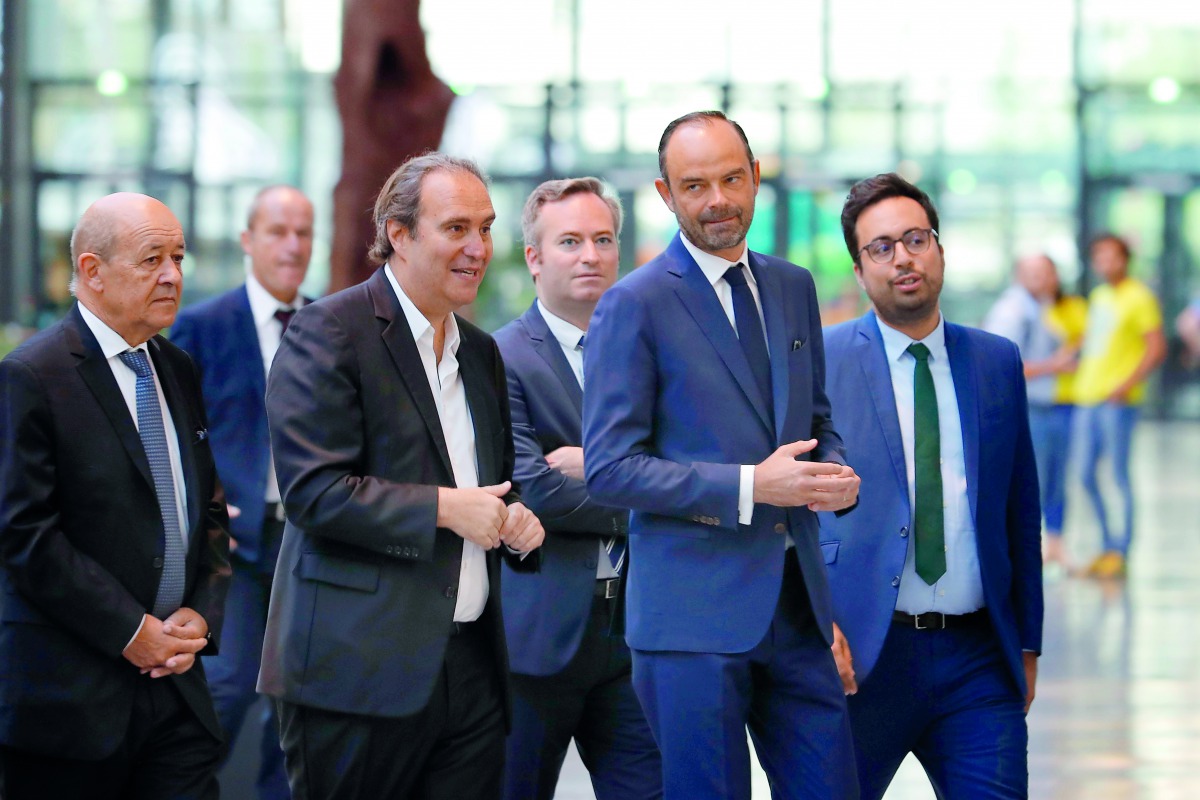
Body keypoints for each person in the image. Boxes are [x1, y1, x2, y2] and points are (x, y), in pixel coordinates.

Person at [582, 110, 861, 800]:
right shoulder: (633, 304)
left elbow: (815, 418)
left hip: (797, 607)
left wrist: (834, 472)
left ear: (756, 176)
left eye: (732, 179)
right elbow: (610, 468)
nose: (718, 200)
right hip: (689, 621)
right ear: (665, 193)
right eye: (695, 185)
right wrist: (750, 486)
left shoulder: (793, 286)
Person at [257, 153, 545, 799]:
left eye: (485, 228)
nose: (478, 248)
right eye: (456, 228)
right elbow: (313, 492)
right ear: (399, 233)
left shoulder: (482, 352)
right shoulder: (328, 330)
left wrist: (518, 519)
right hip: (356, 672)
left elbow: (494, 485)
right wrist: (445, 508)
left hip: (472, 669)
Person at [0, 193, 232, 798]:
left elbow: (206, 506)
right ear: (92, 271)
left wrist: (201, 613)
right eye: (152, 259)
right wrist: (131, 630)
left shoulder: (176, 366)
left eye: (179, 258)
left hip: (176, 688)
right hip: (71, 698)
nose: (172, 275)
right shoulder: (32, 375)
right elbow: (24, 535)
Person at [819, 173, 1043, 799]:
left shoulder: (996, 361)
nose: (903, 258)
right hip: (860, 657)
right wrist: (813, 627)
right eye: (881, 247)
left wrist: (1027, 644)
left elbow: (1020, 509)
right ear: (860, 270)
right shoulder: (821, 362)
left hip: (978, 660)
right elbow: (786, 516)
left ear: (939, 248)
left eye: (916, 239)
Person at [493, 177, 662, 800]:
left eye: (603, 239)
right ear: (534, 257)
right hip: (541, 633)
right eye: (570, 241)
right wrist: (653, 494)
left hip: (639, 630)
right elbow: (534, 489)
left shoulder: (653, 352)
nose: (590, 255)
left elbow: (693, 462)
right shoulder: (499, 357)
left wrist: (594, 466)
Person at [171, 184, 315, 799]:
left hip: (309, 540)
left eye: (303, 233)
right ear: (248, 241)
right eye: (278, 231)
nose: (292, 245)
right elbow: (170, 427)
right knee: (226, 691)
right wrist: (199, 502)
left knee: (299, 702)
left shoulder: (328, 324)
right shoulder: (201, 326)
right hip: (234, 543)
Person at [983, 254, 1087, 572]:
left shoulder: (1043, 308)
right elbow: (1002, 367)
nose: (1045, 279)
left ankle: (1054, 546)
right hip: (1030, 410)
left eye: (1048, 272)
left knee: (1056, 479)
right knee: (1032, 482)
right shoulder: (1012, 312)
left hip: (1055, 405)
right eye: (1036, 273)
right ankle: (1026, 551)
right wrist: (1054, 365)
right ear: (1019, 275)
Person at [1073, 233, 1165, 578]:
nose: (1105, 263)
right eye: (1099, 256)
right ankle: (1107, 545)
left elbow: (1156, 347)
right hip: (1086, 397)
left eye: (1112, 256)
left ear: (1125, 260)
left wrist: (1127, 385)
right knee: (1084, 475)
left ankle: (1120, 551)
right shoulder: (1099, 296)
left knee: (1118, 476)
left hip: (1116, 402)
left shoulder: (1139, 297)